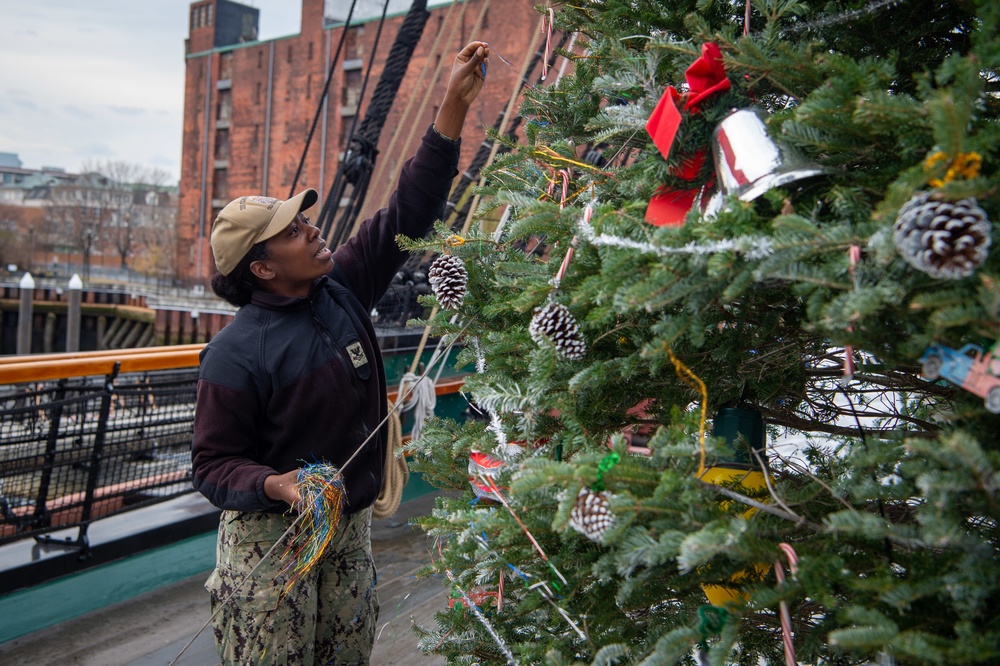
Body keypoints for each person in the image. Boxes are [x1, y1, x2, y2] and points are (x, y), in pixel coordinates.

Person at [191, 41, 489, 665]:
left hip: (348, 530)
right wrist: (278, 484)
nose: (314, 229)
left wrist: (451, 109)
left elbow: (409, 208)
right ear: (264, 267)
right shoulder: (234, 354)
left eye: (307, 221)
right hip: (269, 544)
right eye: (294, 231)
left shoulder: (342, 288)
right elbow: (214, 465)